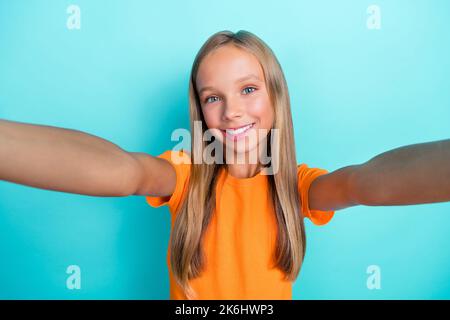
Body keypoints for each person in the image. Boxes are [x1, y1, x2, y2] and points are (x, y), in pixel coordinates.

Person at [0, 30, 449, 300]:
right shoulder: (185, 174)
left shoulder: (297, 185)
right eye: (213, 97)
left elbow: (362, 184)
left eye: (249, 89)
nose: (232, 111)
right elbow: (126, 173)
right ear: (200, 110)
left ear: (276, 96)